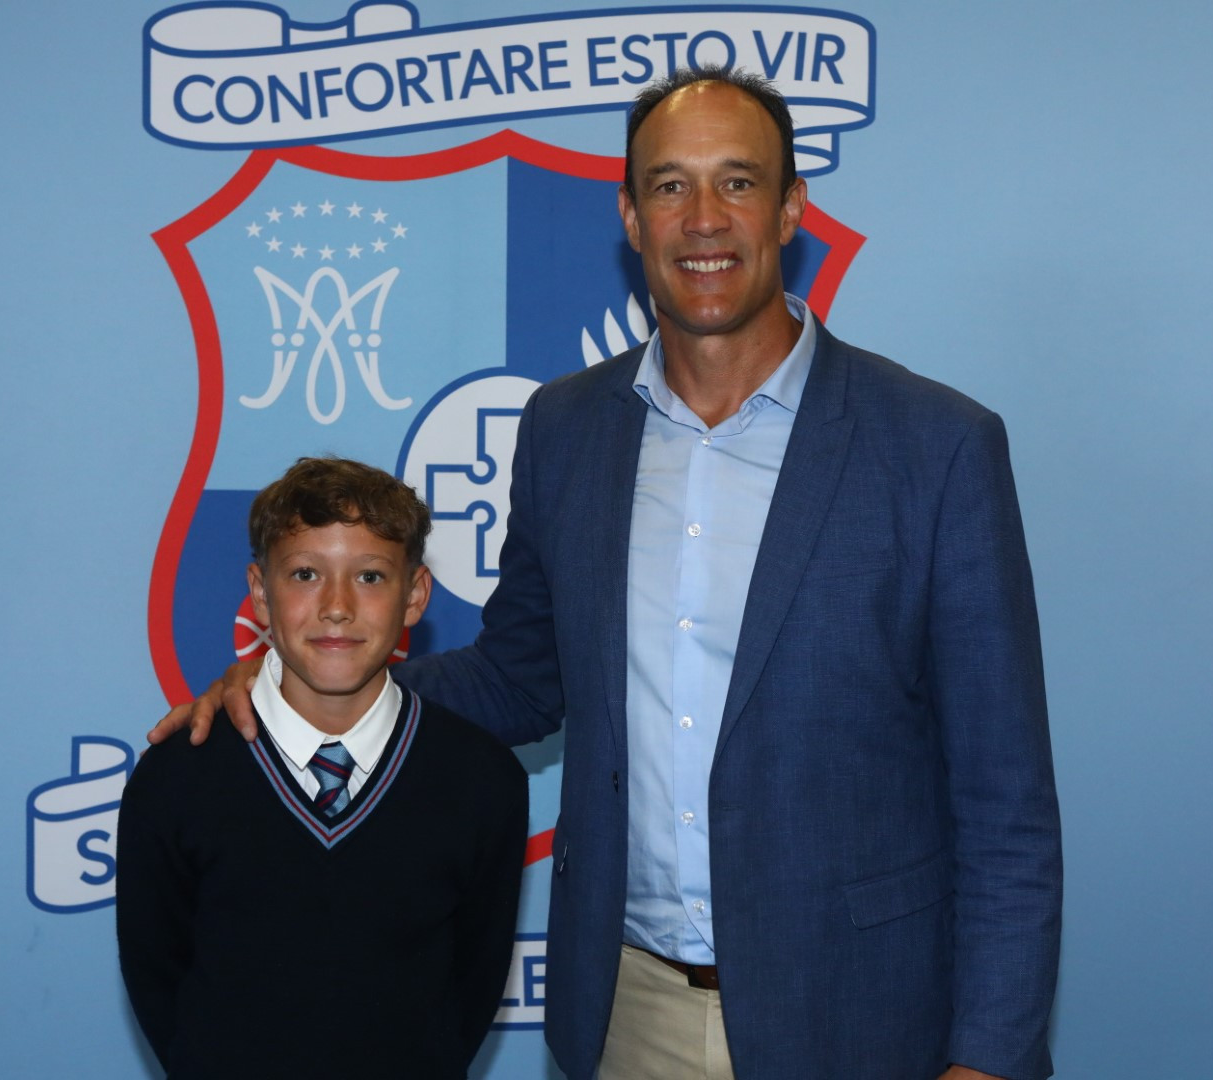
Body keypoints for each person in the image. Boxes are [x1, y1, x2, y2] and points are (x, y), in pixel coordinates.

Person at [154, 68, 1061, 1080]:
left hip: (860, 1019)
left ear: (791, 208)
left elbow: (1005, 805)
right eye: (670, 186)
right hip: (628, 1013)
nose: (704, 218)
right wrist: (306, 690)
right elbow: (519, 676)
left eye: (738, 181)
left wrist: (988, 1061)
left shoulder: (937, 448)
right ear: (631, 218)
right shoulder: (566, 429)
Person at [120, 457, 528, 1078]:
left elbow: (472, 982)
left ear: (415, 595)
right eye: (306, 574)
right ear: (261, 594)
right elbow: (158, 978)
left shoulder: (482, 780)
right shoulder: (177, 777)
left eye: (370, 576)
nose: (337, 606)